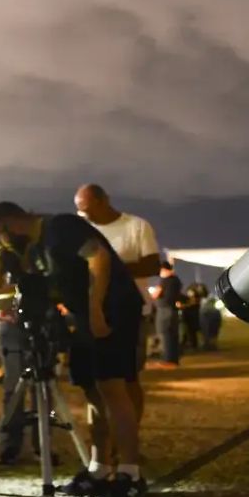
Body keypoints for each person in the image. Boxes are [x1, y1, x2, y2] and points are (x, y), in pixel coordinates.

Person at [0, 201, 147, 497]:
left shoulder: (60, 227)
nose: (0, 243)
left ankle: (130, 473)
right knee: (92, 390)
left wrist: (96, 308)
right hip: (82, 318)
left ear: (11, 222)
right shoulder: (37, 247)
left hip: (113, 310)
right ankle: (100, 468)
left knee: (112, 387)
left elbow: (99, 259)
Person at [74, 183, 159, 427]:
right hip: (94, 312)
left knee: (129, 378)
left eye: (88, 209)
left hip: (131, 312)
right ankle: (105, 443)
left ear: (104, 201)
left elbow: (152, 265)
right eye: (81, 212)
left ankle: (130, 438)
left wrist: (109, 270)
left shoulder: (136, 227)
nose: (85, 216)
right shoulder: (84, 231)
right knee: (97, 381)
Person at [151, 261, 184, 366]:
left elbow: (156, 295)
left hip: (164, 310)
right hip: (173, 310)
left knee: (165, 335)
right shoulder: (176, 280)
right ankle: (174, 360)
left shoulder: (164, 280)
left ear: (163, 269)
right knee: (173, 335)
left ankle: (168, 360)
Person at [179, 283, 206, 351]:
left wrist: (184, 306)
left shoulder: (195, 299)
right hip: (189, 316)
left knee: (191, 331)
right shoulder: (191, 298)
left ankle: (193, 345)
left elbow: (193, 304)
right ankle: (189, 344)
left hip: (191, 316)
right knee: (189, 331)